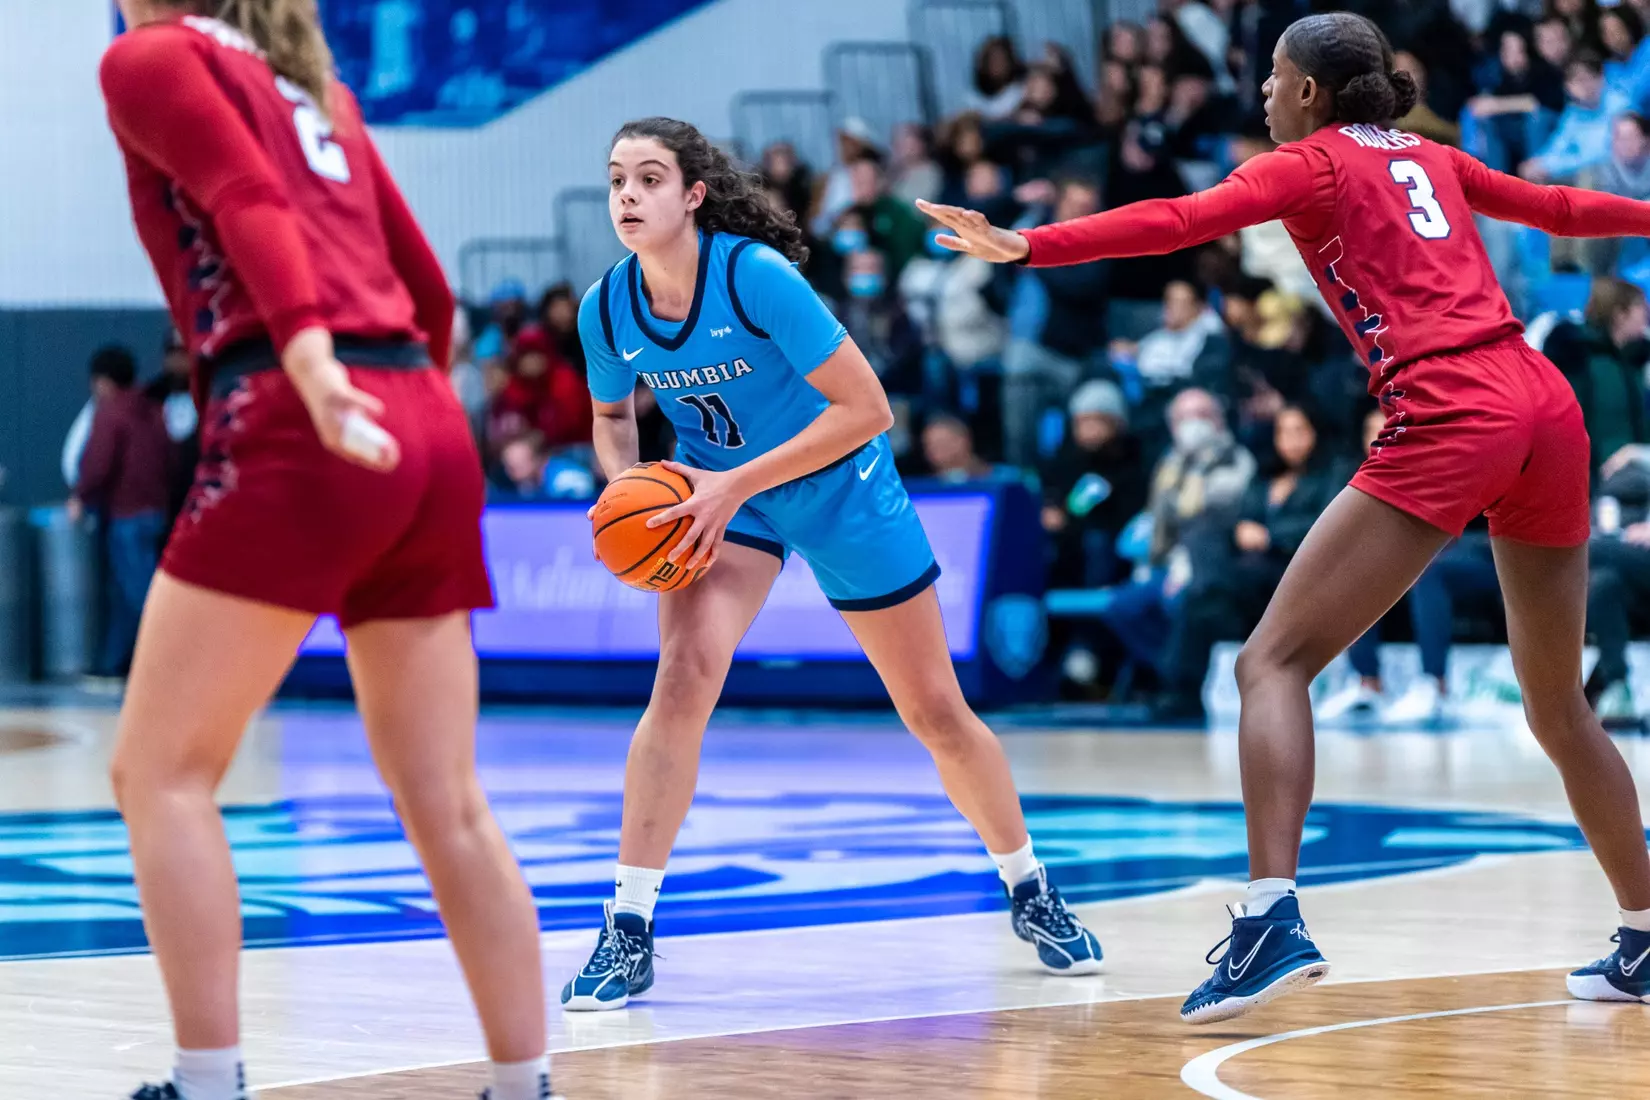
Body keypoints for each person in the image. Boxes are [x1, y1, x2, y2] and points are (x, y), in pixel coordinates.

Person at [920, 9, 1650, 1023]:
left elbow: (1178, 220)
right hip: (1541, 398)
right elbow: (1563, 209)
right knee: (1560, 706)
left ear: (1309, 90)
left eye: (1273, 74)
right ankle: (1645, 934)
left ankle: (1270, 921)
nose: (1263, 90)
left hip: (1453, 407)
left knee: (1270, 662)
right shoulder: (1430, 156)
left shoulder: (1310, 163)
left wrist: (1030, 243)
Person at [100, 5, 556, 1100]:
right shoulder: (316, 85)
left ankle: (205, 1081)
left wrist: (308, 364)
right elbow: (429, 290)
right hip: (421, 411)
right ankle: (524, 1081)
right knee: (447, 798)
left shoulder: (149, 56)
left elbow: (245, 199)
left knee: (159, 772)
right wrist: (399, 409)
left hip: (301, 407)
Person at [565, 116, 1101, 1013]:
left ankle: (1029, 884)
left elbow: (869, 410)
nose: (628, 195)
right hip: (723, 495)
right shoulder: (606, 307)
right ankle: (628, 925)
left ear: (693, 195)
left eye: (649, 178)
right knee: (681, 681)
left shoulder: (754, 277)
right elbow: (613, 418)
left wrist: (730, 484)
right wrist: (631, 488)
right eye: (617, 178)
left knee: (934, 711)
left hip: (837, 483)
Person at [71, 344, 173, 678]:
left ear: (102, 381)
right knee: (127, 594)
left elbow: (98, 463)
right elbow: (169, 458)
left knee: (139, 595)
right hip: (157, 511)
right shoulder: (153, 409)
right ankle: (113, 665)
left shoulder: (111, 412)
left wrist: (81, 496)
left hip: (127, 514)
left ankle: (168, 666)